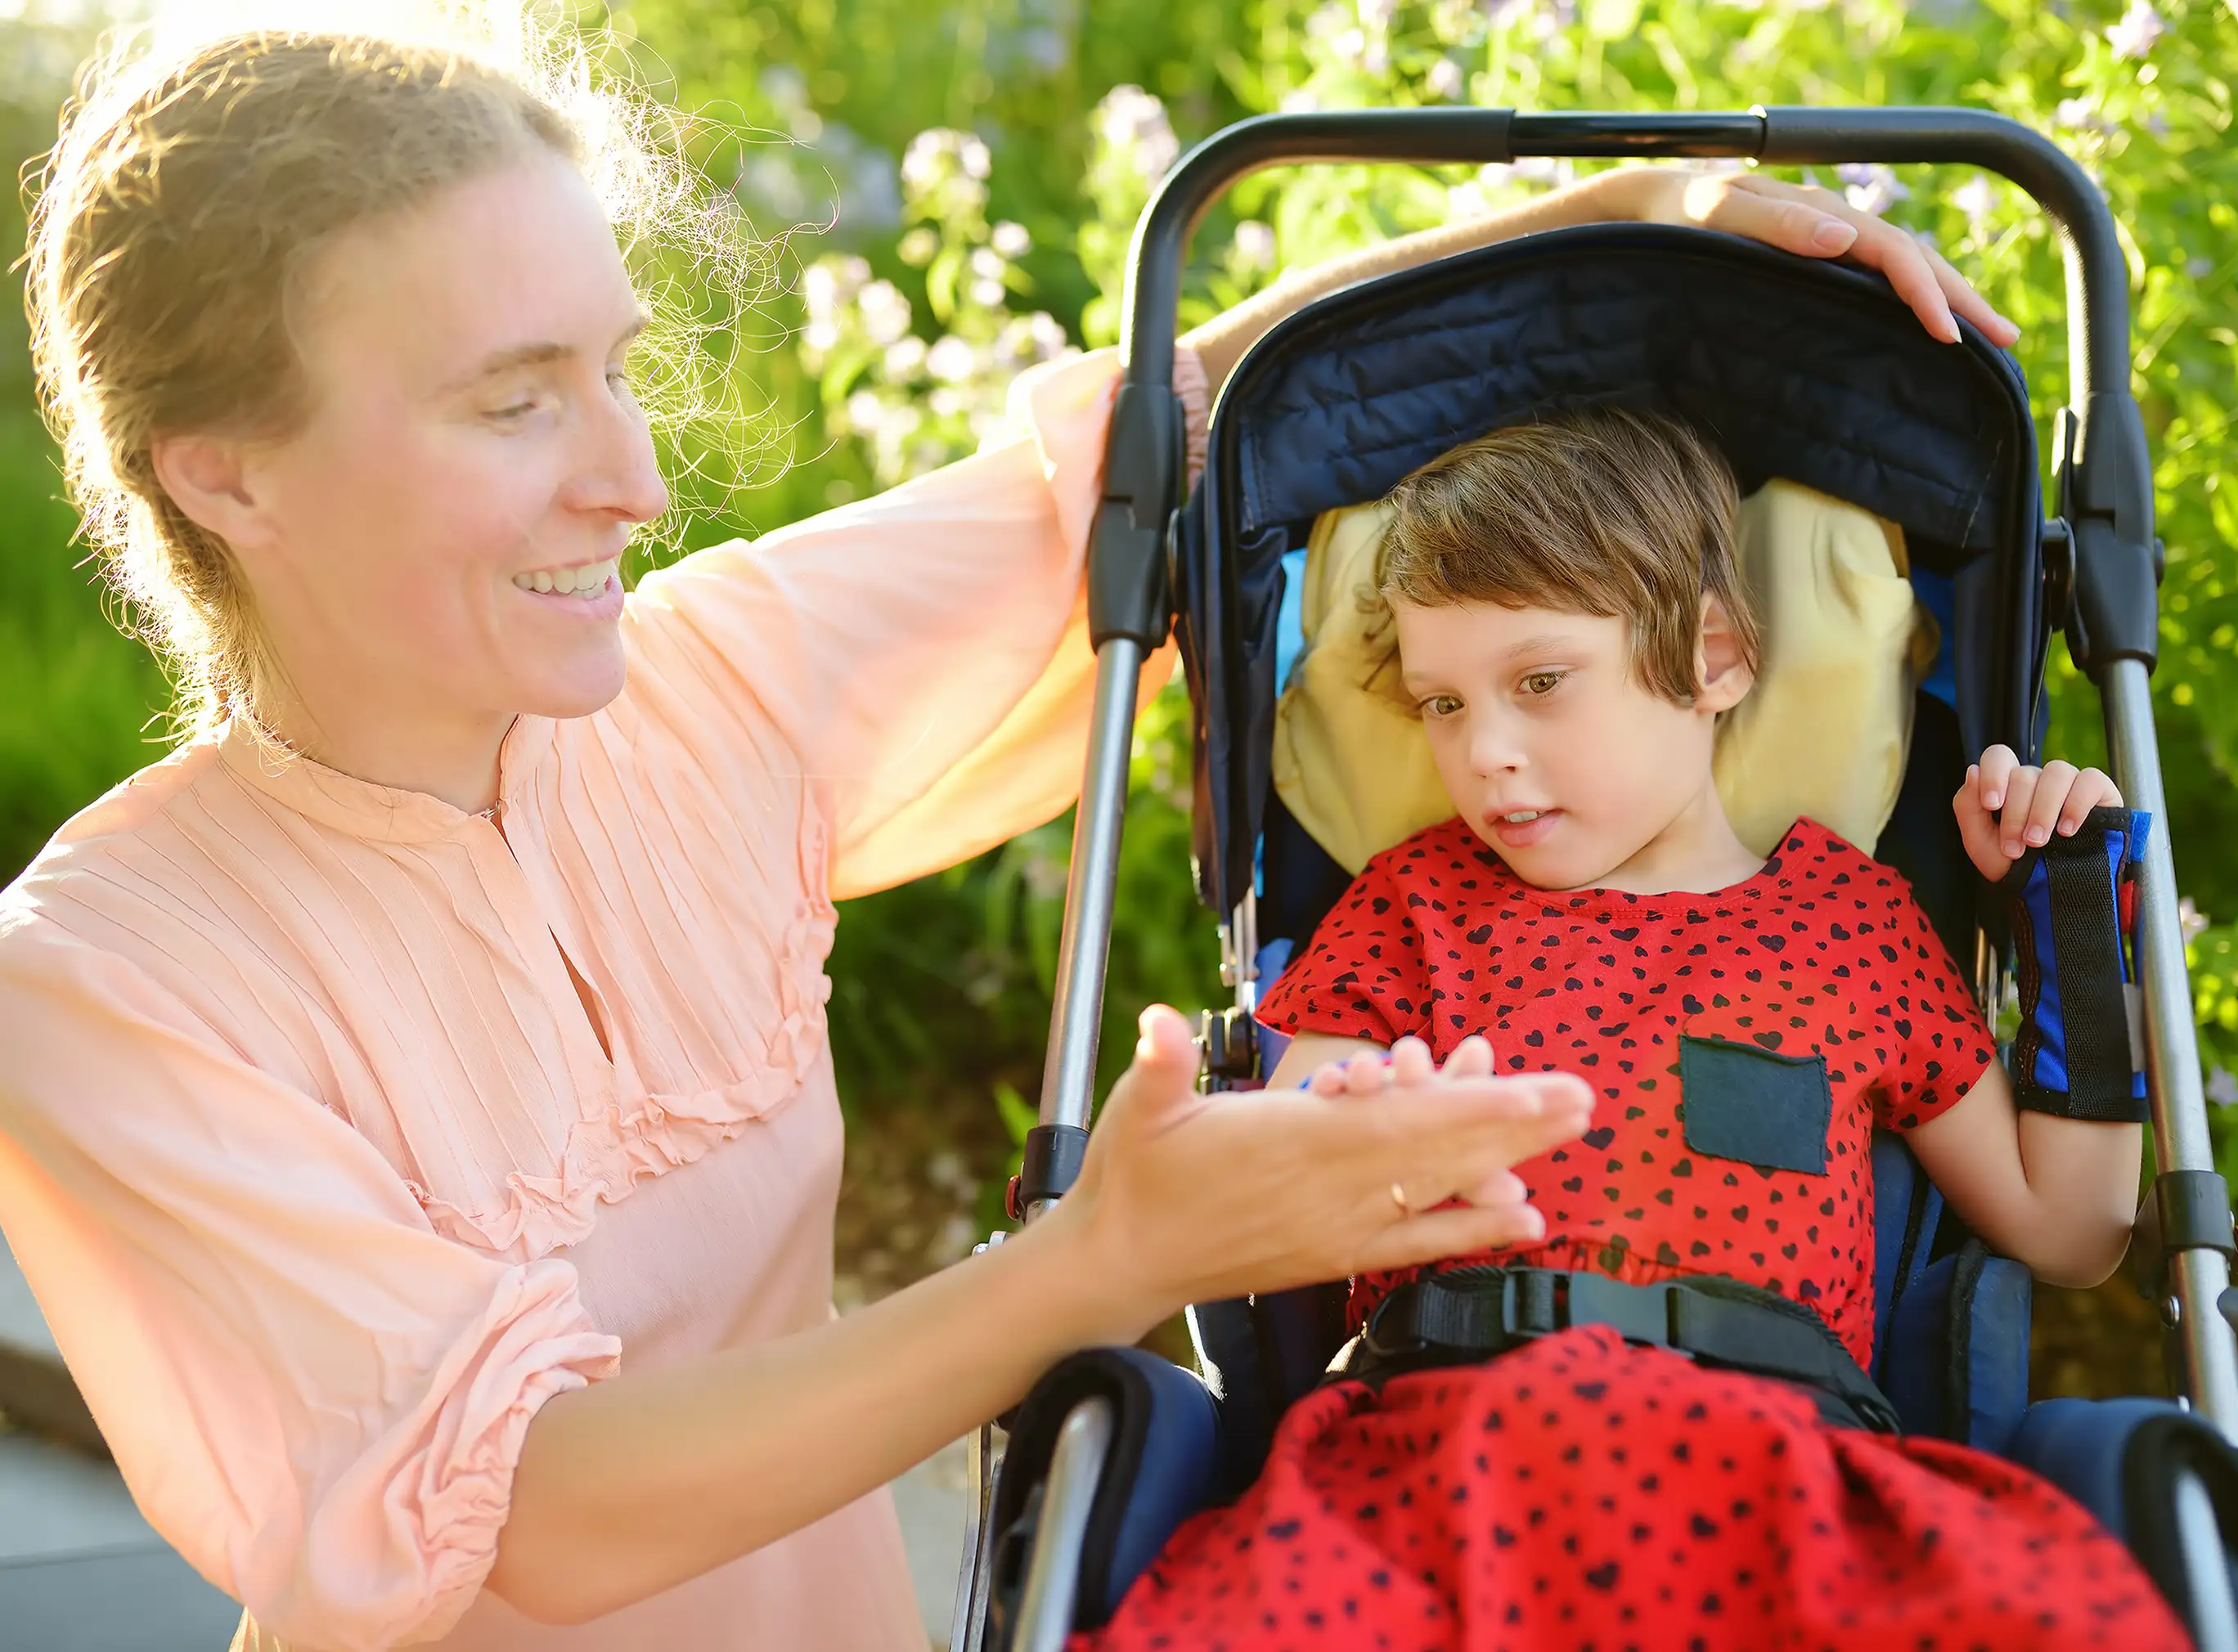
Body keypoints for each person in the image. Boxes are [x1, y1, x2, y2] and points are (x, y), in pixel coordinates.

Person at [0, 14, 2017, 1652]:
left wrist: (1632, 226)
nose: (630, 477)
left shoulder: (701, 699)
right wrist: (1098, 1262)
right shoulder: (105, 977)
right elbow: (532, 1504)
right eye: (515, 401)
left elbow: (1159, 438)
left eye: (617, 371)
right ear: (228, 473)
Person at [1085, 408, 2185, 1650]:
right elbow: (1278, 1180)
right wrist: (1351, 1136)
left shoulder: (1852, 923)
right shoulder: (1412, 906)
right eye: (1442, 706)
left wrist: (2073, 923)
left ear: (1712, 656)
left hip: (1768, 1465)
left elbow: (2072, 1229)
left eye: (1539, 683)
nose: (1485, 754)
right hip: (1442, 1448)